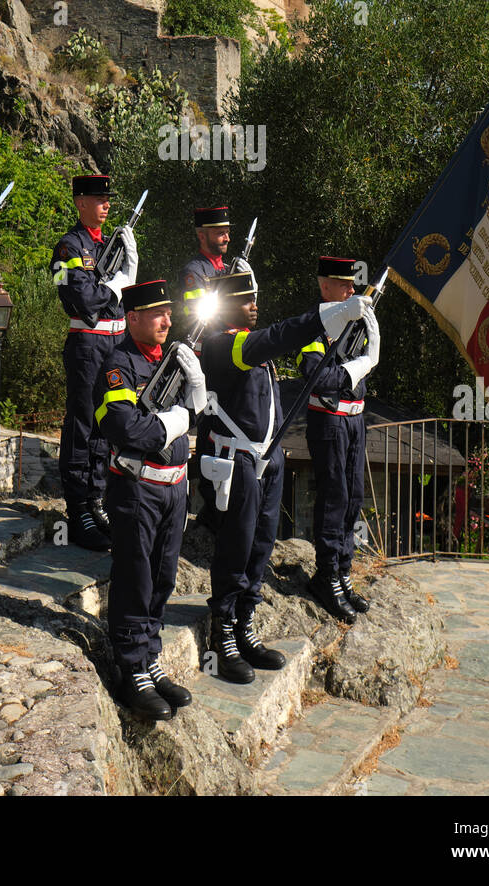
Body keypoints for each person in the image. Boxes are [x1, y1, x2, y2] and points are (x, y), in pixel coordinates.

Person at [199, 272, 367, 682]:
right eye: (244, 300)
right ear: (225, 306)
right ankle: (222, 635)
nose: (254, 305)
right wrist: (326, 314)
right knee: (235, 547)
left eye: (255, 298)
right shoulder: (225, 343)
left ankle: (245, 624)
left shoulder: (252, 346)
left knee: (260, 546)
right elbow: (278, 337)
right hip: (236, 462)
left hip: (266, 460)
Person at [93, 280, 206, 721]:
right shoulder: (118, 365)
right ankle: (130, 666)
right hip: (137, 488)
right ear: (133, 317)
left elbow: (199, 411)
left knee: (163, 577)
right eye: (156, 313)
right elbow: (125, 429)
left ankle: (150, 657)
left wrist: (194, 384)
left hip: (174, 487)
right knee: (135, 577)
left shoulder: (172, 361)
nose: (166, 320)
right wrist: (178, 418)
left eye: (168, 312)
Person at [50, 174, 138, 550]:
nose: (105, 204)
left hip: (116, 341)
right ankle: (78, 507)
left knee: (107, 425)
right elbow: (80, 300)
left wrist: (126, 276)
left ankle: (97, 499)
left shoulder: (111, 244)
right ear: (80, 202)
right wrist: (114, 286)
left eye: (107, 199)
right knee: (83, 425)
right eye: (97, 198)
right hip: (87, 343)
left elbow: (117, 300)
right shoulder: (67, 247)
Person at [298, 257, 380, 621]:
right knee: (334, 496)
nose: (351, 290)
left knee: (353, 495)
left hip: (354, 420)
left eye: (352, 285)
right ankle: (326, 574)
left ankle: (343, 571)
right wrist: (361, 364)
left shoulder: (354, 323)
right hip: (329, 421)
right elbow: (319, 378)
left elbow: (350, 379)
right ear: (324, 287)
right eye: (343, 285)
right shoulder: (315, 327)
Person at [178, 205, 254, 528]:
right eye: (219, 232)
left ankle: (226, 501)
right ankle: (210, 502)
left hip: (231, 359)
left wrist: (243, 280)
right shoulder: (194, 271)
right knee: (209, 432)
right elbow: (201, 313)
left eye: (227, 231)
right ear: (202, 235)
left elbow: (248, 311)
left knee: (229, 430)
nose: (226, 237)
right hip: (207, 361)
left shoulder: (228, 267)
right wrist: (229, 290)